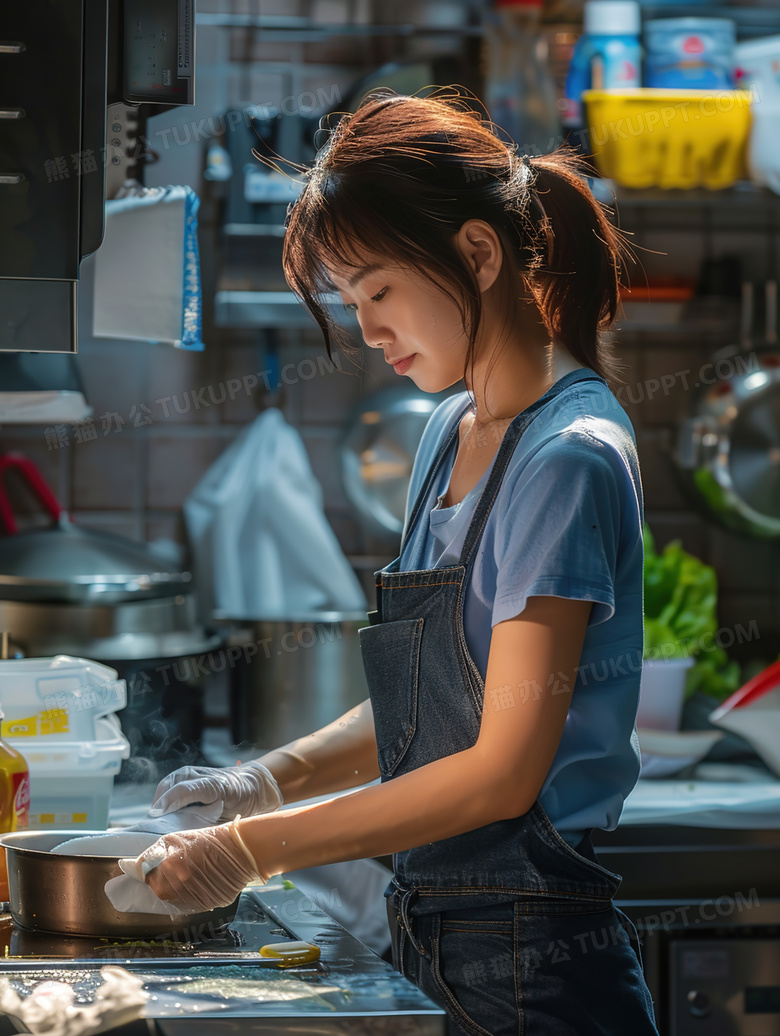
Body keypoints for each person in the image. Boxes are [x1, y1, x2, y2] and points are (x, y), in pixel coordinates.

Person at [123, 88, 660, 1035]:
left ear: (478, 254)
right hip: (434, 939)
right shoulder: (451, 431)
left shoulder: (566, 457)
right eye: (350, 301)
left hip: (535, 968)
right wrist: (266, 778)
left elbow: (499, 772)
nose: (367, 331)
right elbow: (438, 702)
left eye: (377, 290)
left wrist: (248, 849)